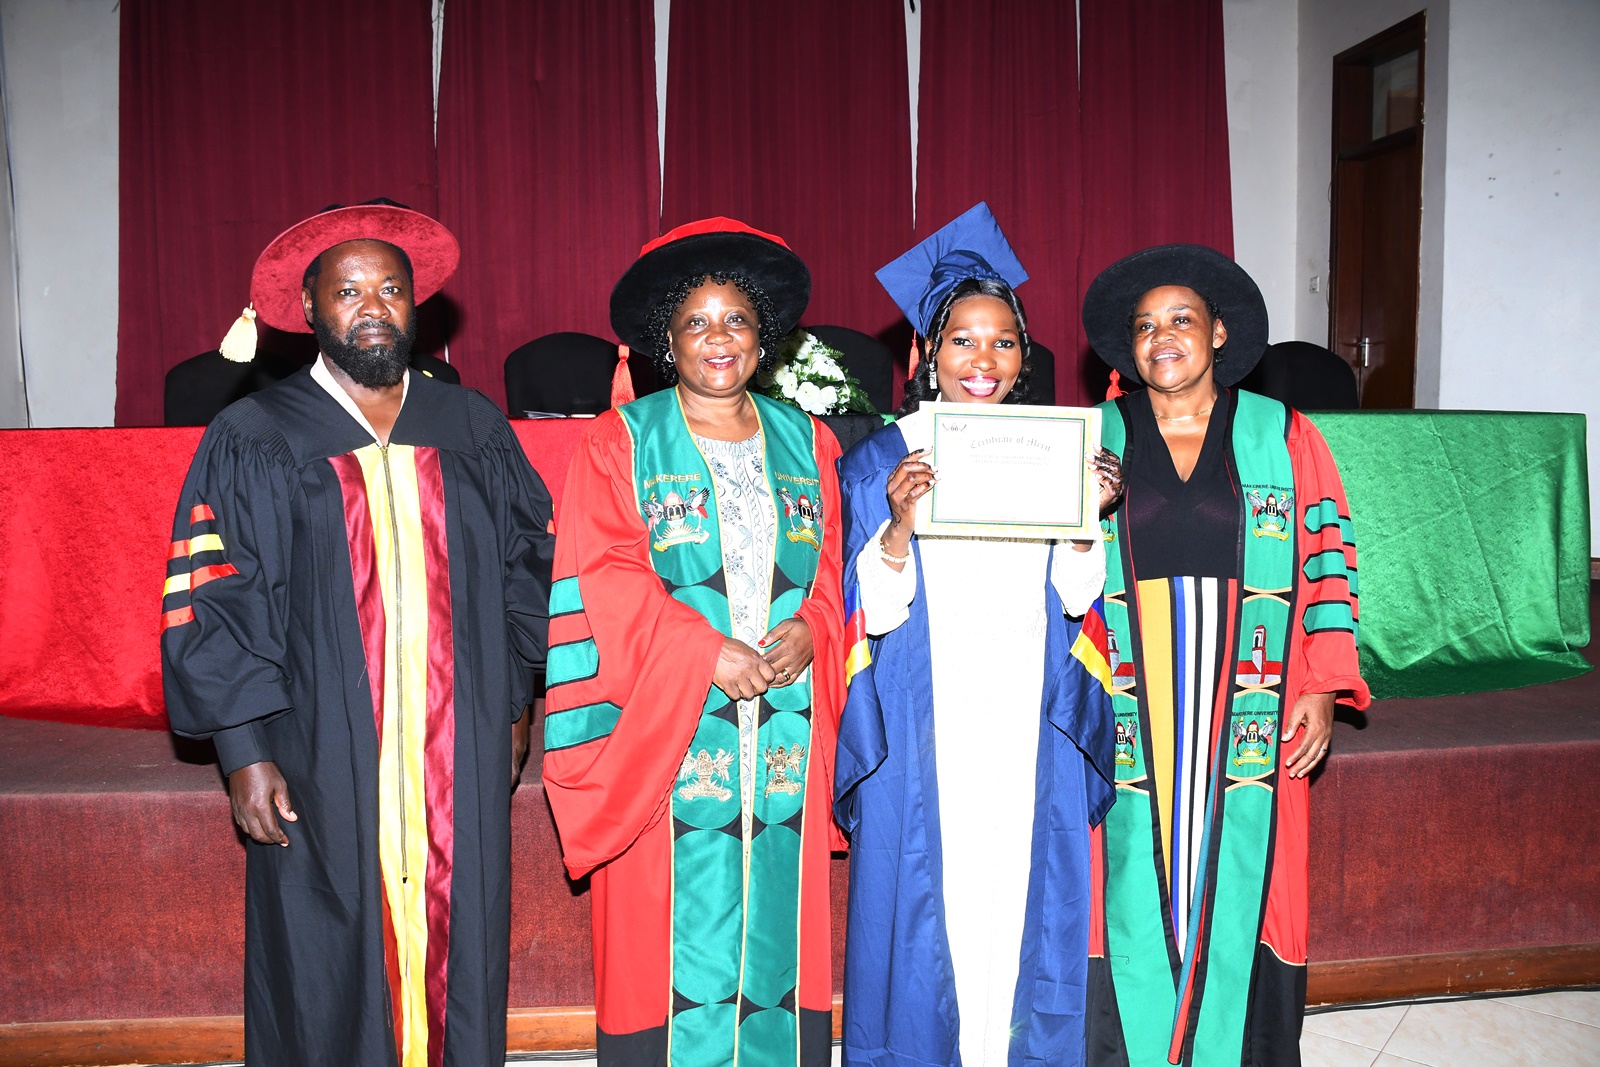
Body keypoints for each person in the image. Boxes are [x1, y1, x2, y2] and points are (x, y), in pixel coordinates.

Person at [160, 200, 555, 1066]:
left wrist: (522, 693)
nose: (372, 305)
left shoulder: (475, 428)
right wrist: (242, 748)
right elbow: (217, 594)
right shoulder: (255, 438)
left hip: (461, 745)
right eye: (348, 290)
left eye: (390, 288)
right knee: (327, 949)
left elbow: (529, 567)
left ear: (418, 305)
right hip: (317, 745)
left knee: (464, 939)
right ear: (309, 308)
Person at [541, 218, 846, 1066]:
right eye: (698, 323)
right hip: (669, 733)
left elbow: (830, 577)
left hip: (783, 732)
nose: (720, 338)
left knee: (781, 941)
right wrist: (702, 649)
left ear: (764, 338)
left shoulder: (806, 438)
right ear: (666, 342)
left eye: (737, 321)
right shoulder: (621, 442)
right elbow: (597, 574)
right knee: (667, 935)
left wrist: (812, 631)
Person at [833, 203, 1120, 1067]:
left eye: (1002, 342)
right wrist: (896, 527)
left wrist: (1085, 523)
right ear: (927, 353)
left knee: (1015, 897)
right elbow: (866, 618)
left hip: (1023, 713)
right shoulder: (881, 459)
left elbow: (1077, 604)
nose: (983, 360)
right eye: (962, 339)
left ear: (1025, 355)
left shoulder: (1056, 449)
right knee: (934, 901)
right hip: (928, 720)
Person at [1080, 245, 1369, 1066]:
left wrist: (1319, 684)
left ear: (1218, 333)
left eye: (1180, 319)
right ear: (1126, 347)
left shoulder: (1282, 434)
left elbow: (1327, 559)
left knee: (1249, 866)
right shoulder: (1093, 434)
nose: (1161, 336)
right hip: (1126, 697)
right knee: (1131, 866)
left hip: (1255, 691)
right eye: (1144, 325)